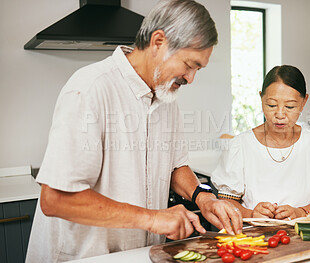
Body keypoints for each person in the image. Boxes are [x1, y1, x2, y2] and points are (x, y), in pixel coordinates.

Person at [26, 0, 242, 262]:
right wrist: (154, 219)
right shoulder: (91, 87)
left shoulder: (166, 96)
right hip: (83, 257)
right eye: (189, 64)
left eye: (198, 69)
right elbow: (55, 200)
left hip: (138, 254)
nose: (191, 78)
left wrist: (203, 198)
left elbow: (176, 167)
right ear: (159, 42)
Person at [212, 65, 310, 220]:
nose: (279, 115)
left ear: (304, 102)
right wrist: (251, 214)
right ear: (261, 99)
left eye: (290, 106)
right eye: (271, 105)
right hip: (255, 236)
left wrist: (299, 213)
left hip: (306, 235)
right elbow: (226, 201)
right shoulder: (240, 145)